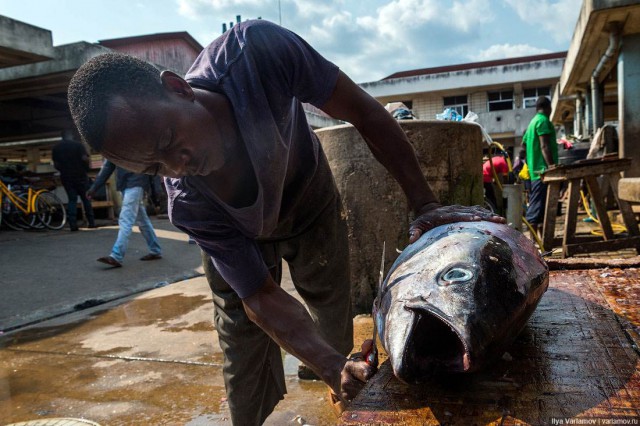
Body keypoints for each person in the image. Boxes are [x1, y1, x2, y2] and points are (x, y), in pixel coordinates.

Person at [67, 20, 504, 425]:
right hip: (237, 235)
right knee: (242, 347)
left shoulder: (255, 55)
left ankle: (342, 399)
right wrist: (331, 366)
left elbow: (363, 112)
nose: (175, 167)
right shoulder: (188, 204)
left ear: (178, 88)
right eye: (153, 167)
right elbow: (259, 294)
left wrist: (424, 204)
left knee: (332, 324)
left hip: (308, 201)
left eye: (168, 141)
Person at [87, 160, 162, 268]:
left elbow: (152, 164)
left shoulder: (117, 146)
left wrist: (94, 188)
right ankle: (155, 250)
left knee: (125, 220)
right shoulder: (116, 146)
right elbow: (108, 167)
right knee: (142, 220)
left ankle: (116, 255)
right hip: (129, 184)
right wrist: (94, 188)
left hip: (134, 183)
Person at [523, 96, 558, 237]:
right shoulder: (542, 121)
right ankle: (533, 242)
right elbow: (544, 146)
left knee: (541, 208)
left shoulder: (532, 123)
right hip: (542, 172)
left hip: (534, 171)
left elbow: (523, 145)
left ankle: (541, 240)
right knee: (536, 208)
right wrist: (552, 166)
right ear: (548, 107)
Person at [51, 129, 96, 231]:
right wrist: (85, 169)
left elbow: (56, 165)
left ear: (62, 136)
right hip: (80, 176)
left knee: (72, 200)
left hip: (66, 177)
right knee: (86, 199)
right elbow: (85, 158)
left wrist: (63, 170)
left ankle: (73, 224)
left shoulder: (56, 148)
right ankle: (91, 223)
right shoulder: (78, 145)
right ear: (71, 135)